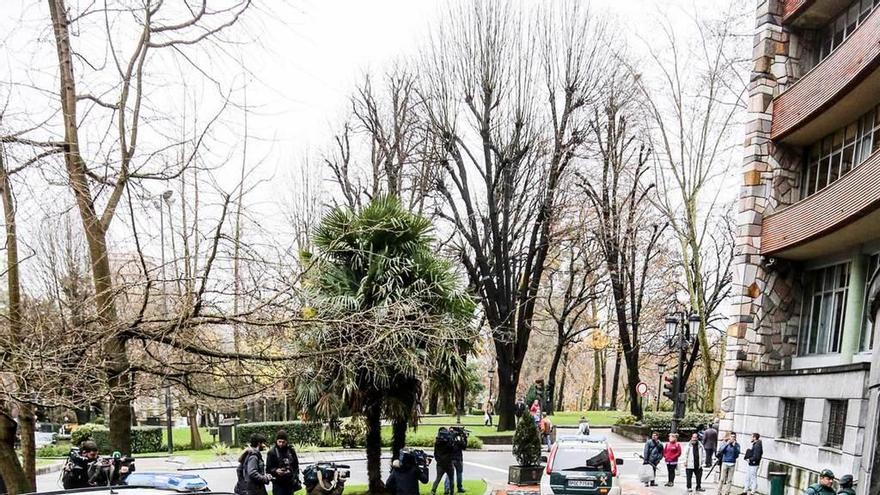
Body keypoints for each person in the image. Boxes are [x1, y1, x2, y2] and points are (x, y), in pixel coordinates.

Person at [265, 430, 299, 495]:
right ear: (276, 441)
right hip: (278, 483)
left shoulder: (291, 451)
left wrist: (290, 471)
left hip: (289, 482)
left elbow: (296, 465)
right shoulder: (272, 452)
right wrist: (276, 470)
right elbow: (268, 469)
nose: (281, 444)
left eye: (283, 442)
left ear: (286, 441)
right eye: (279, 442)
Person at [431, 428, 455, 495]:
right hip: (448, 463)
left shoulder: (437, 442)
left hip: (440, 464)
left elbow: (435, 453)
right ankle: (452, 492)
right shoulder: (449, 443)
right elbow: (452, 450)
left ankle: (433, 491)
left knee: (438, 479)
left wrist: (438, 460)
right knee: (451, 479)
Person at [446, 428, 466, 494]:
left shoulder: (448, 437)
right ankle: (459, 488)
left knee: (449, 475)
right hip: (458, 458)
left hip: (450, 458)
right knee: (459, 473)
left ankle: (447, 489)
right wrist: (464, 438)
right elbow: (464, 446)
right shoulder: (458, 438)